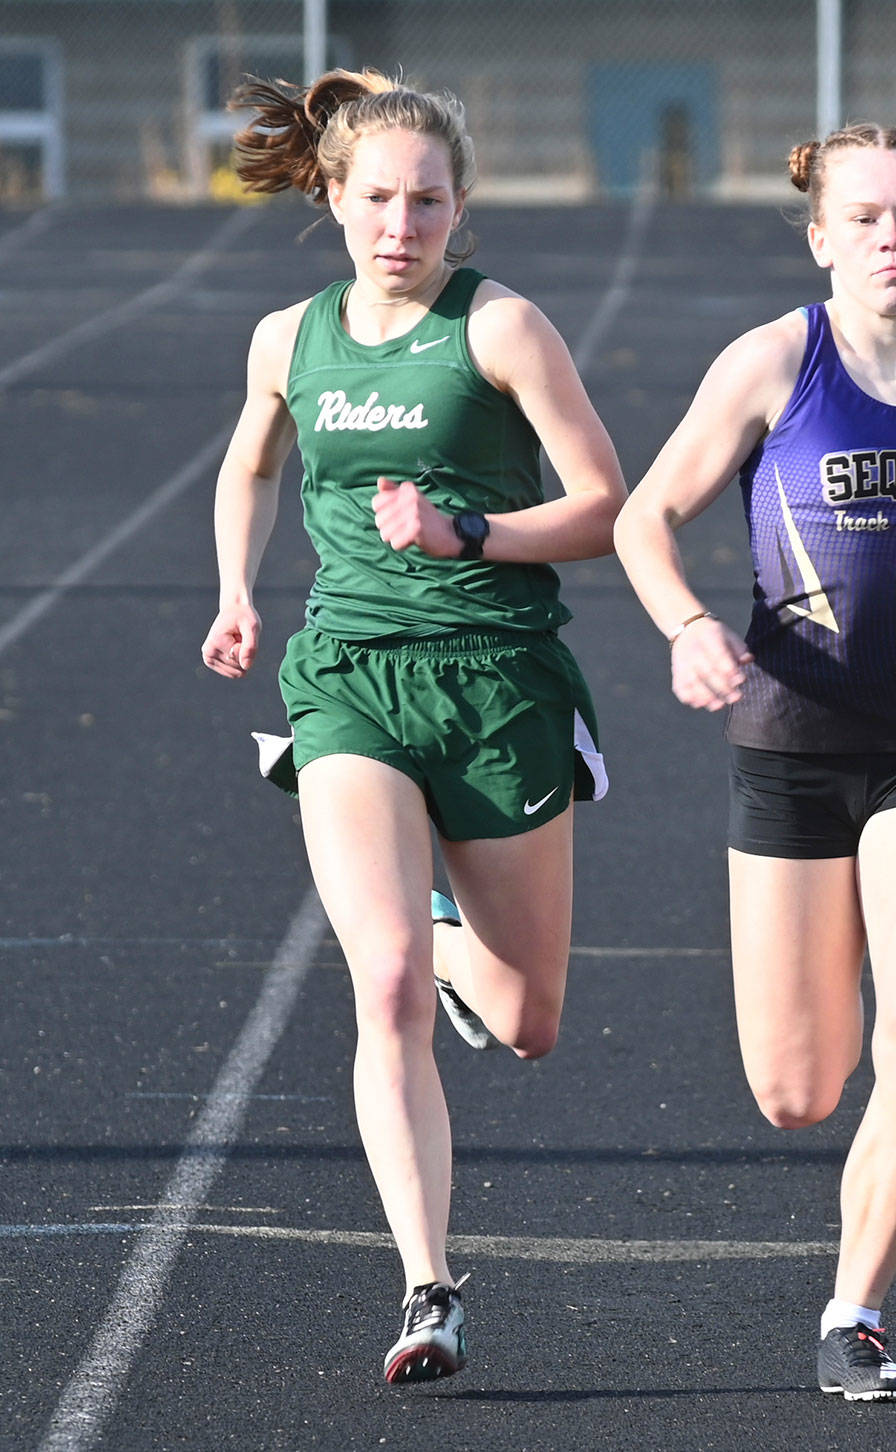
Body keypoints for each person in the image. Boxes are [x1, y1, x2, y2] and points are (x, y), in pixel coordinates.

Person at [613, 123, 896, 1401]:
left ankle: (854, 1314)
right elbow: (643, 516)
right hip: (790, 745)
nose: (892, 238)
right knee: (796, 1089)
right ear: (820, 235)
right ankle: (847, 1264)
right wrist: (685, 624)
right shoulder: (774, 362)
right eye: (865, 218)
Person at [200, 68, 625, 1385]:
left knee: (530, 1017)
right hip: (348, 679)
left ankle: (448, 935)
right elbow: (250, 462)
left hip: (497, 685)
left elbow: (609, 501)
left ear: (461, 206)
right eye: (377, 198)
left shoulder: (499, 329)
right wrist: (233, 594)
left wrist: (469, 533)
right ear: (330, 197)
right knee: (379, 985)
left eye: (427, 201)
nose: (401, 223)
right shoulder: (288, 339)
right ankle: (428, 1286)